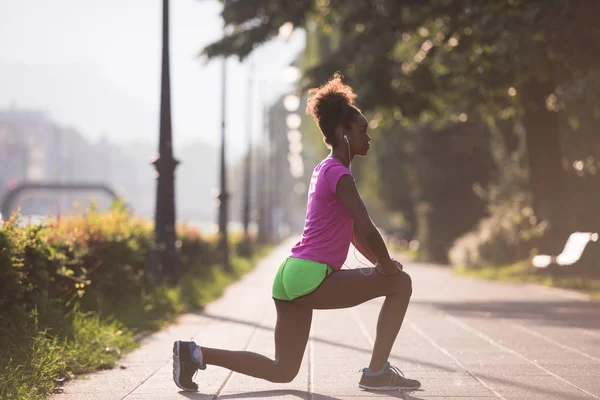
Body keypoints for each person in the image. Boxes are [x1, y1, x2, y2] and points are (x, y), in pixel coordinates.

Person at [172, 73, 420, 392]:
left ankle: (193, 354)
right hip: (310, 277)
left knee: (283, 370)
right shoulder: (340, 175)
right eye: (363, 131)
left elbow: (356, 234)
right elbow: (365, 226)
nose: (368, 138)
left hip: (289, 276)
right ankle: (375, 373)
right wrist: (387, 268)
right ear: (343, 133)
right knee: (401, 284)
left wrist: (381, 263)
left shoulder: (323, 169)